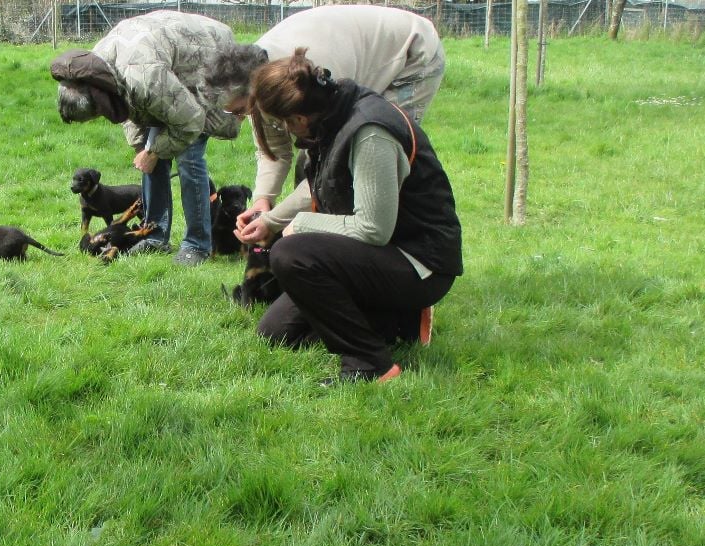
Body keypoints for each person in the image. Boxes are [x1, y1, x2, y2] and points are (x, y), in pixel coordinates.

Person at [235, 50, 462, 385]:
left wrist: (300, 227)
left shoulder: (369, 132)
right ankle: (394, 321)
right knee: (277, 333)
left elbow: (373, 229)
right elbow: (320, 184)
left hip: (420, 263)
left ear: (298, 118)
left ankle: (371, 365)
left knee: (291, 254)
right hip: (381, 255)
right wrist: (270, 221)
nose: (283, 129)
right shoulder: (330, 116)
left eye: (281, 122)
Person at [206, 4, 446, 228]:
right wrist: (262, 199)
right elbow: (273, 150)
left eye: (238, 111)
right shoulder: (257, 74)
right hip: (354, 48)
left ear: (253, 91)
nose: (238, 118)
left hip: (411, 53)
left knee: (370, 153)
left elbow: (329, 168)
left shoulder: (308, 79)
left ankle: (378, 235)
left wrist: (279, 221)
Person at [51, 11, 244, 266]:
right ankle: (155, 235)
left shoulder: (144, 78)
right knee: (151, 154)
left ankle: (197, 244)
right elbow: (129, 107)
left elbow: (190, 122)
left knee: (189, 156)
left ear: (97, 103)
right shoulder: (96, 71)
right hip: (164, 66)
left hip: (204, 59)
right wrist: (142, 148)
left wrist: (153, 152)